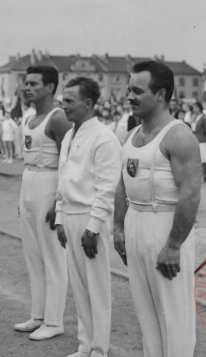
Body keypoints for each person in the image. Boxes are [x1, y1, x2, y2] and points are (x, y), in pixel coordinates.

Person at [113, 60, 202, 357]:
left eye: (137, 91)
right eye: (128, 90)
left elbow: (190, 195)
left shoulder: (178, 136)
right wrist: (118, 227)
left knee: (174, 316)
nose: (129, 96)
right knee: (146, 314)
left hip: (165, 228)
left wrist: (174, 245)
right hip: (135, 226)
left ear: (161, 94)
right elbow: (123, 186)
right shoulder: (132, 135)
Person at [55, 77, 122, 357]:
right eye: (63, 99)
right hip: (70, 216)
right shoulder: (70, 135)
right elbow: (63, 179)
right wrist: (59, 217)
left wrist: (93, 228)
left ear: (89, 104)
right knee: (79, 287)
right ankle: (85, 346)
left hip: (89, 219)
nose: (64, 105)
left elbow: (107, 189)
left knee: (97, 288)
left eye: (70, 100)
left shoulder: (104, 138)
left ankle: (99, 349)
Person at [14, 66, 72, 341]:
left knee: (53, 257)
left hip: (49, 183)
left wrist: (59, 203)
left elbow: (69, 162)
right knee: (33, 255)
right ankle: (38, 314)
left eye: (33, 83)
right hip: (29, 182)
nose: (27, 88)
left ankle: (54, 320)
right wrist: (23, 199)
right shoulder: (29, 117)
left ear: (50, 87)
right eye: (26, 83)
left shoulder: (57, 118)